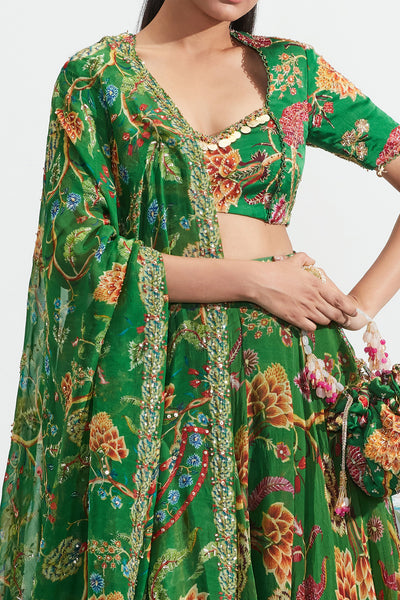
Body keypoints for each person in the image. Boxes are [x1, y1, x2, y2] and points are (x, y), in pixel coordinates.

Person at [1, 0, 400, 597]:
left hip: (288, 389)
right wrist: (254, 280)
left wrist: (357, 308)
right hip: (160, 387)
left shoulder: (294, 73)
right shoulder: (97, 79)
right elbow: (77, 250)